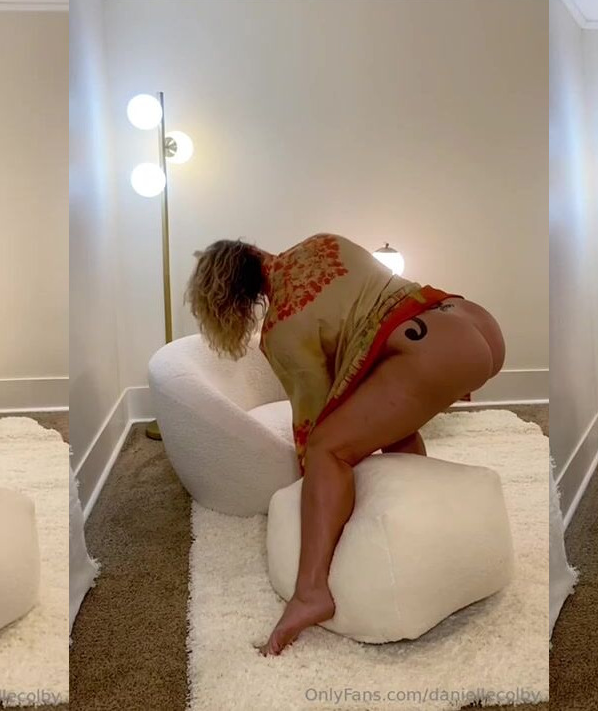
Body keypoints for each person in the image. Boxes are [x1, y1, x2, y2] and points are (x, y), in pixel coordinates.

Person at [185, 233, 505, 656]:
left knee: (327, 449)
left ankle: (310, 593)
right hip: (467, 319)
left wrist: (315, 477)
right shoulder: (322, 243)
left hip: (433, 350)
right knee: (387, 419)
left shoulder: (281, 328)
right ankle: (422, 526)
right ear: (255, 253)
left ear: (229, 298)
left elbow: (314, 417)